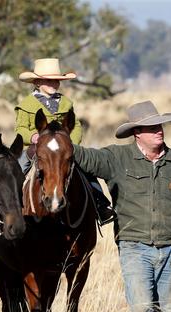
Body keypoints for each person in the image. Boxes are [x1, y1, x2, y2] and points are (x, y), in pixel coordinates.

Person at [72, 100, 171, 312]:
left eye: (159, 125)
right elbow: (86, 158)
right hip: (134, 247)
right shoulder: (117, 158)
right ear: (137, 133)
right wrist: (59, 143)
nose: (159, 131)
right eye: (151, 128)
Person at [15, 58, 115, 224]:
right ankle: (13, 206)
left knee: (86, 168)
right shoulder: (26, 104)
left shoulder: (66, 103)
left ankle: (100, 204)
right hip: (37, 147)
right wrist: (34, 137)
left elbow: (75, 126)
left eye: (56, 81)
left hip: (63, 147)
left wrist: (68, 143)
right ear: (38, 82)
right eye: (49, 80)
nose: (53, 84)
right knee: (17, 168)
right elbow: (20, 129)